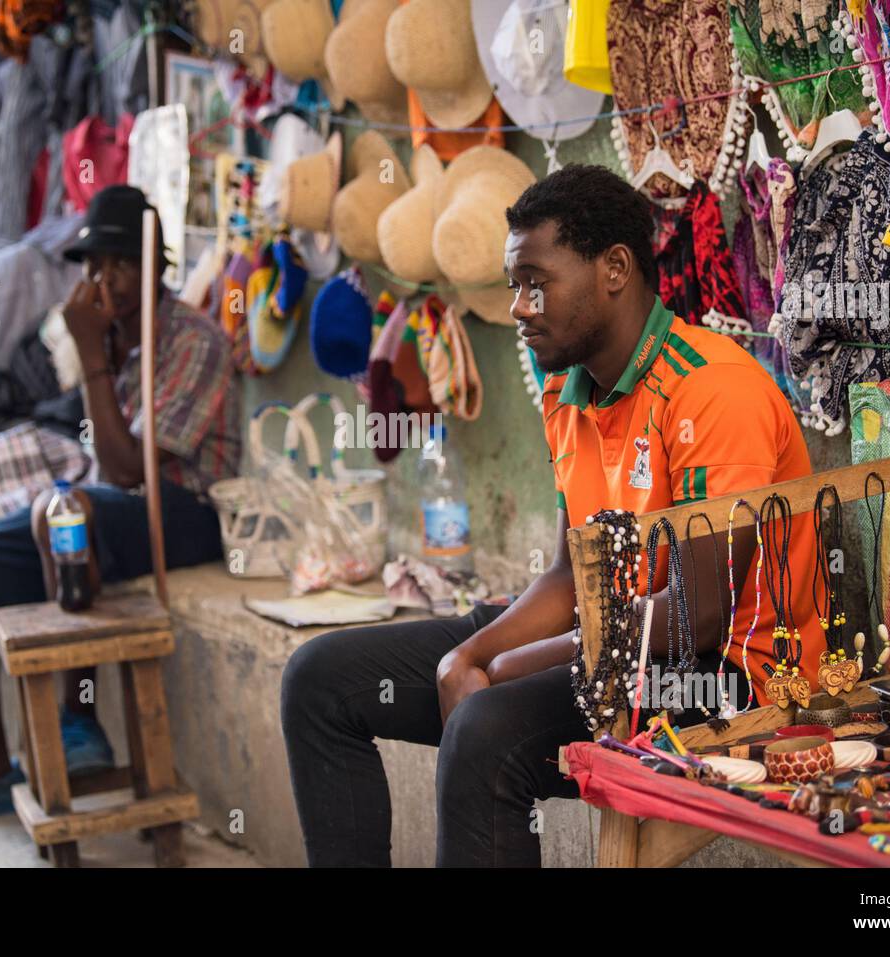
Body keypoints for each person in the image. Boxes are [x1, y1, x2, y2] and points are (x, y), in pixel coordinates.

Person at [280, 164, 823, 867]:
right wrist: (470, 656)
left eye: (536, 281)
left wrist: (506, 665)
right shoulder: (569, 394)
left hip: (720, 676)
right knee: (319, 678)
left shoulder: (711, 389)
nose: (519, 306)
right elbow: (574, 573)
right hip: (610, 640)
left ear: (615, 268)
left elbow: (696, 616)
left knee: (484, 731)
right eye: (513, 285)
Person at [0, 186, 240, 827]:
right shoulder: (112, 338)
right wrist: (95, 353)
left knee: (67, 510)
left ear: (156, 267)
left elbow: (130, 467)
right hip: (115, 510)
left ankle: (79, 722)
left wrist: (90, 359)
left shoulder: (195, 340)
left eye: (121, 264)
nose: (104, 280)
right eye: (93, 266)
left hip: (186, 515)